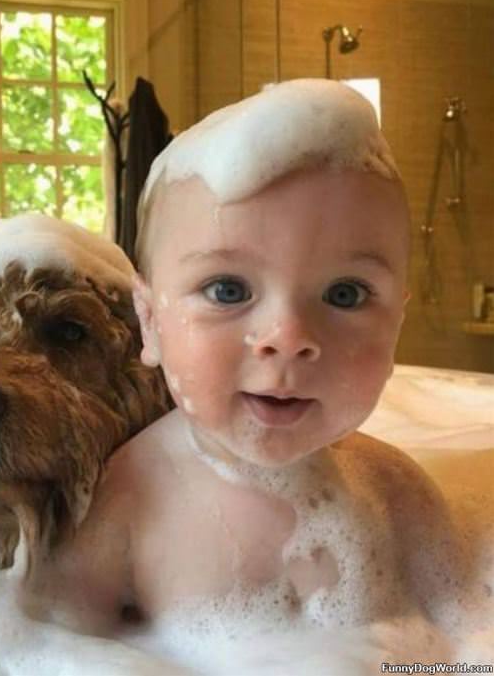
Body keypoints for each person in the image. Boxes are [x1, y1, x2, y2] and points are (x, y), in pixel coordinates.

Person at [36, 79, 467, 636]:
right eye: (228, 290)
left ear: (397, 324)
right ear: (150, 321)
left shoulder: (396, 492)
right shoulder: (126, 501)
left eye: (346, 294)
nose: (288, 337)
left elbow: (466, 638)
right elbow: (56, 640)